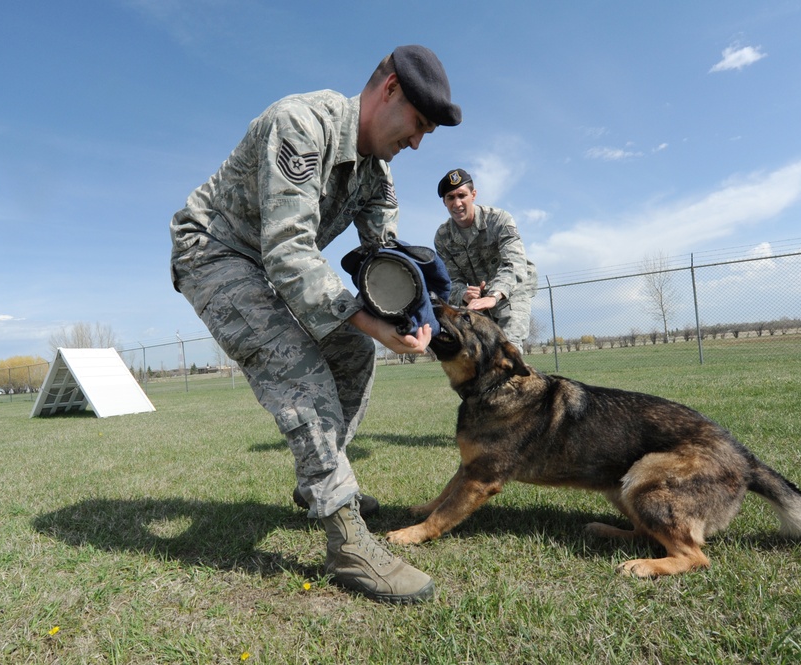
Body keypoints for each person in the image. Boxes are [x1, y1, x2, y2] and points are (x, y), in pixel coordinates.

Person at [169, 45, 462, 604]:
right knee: (295, 365)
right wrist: (365, 320)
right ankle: (346, 538)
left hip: (266, 263)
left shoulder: (378, 177)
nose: (419, 141)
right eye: (418, 124)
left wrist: (412, 313)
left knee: (353, 351)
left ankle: (319, 485)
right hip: (215, 253)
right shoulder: (303, 125)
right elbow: (287, 250)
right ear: (390, 89)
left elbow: (384, 262)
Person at [433, 169, 538, 352]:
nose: (457, 203)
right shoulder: (443, 237)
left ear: (473, 195)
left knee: (508, 349)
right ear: (444, 202)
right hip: (477, 300)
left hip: (511, 290)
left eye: (462, 195)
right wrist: (463, 293)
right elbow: (450, 279)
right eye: (450, 197)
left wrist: (494, 295)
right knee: (481, 354)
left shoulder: (499, 220)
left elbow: (514, 263)